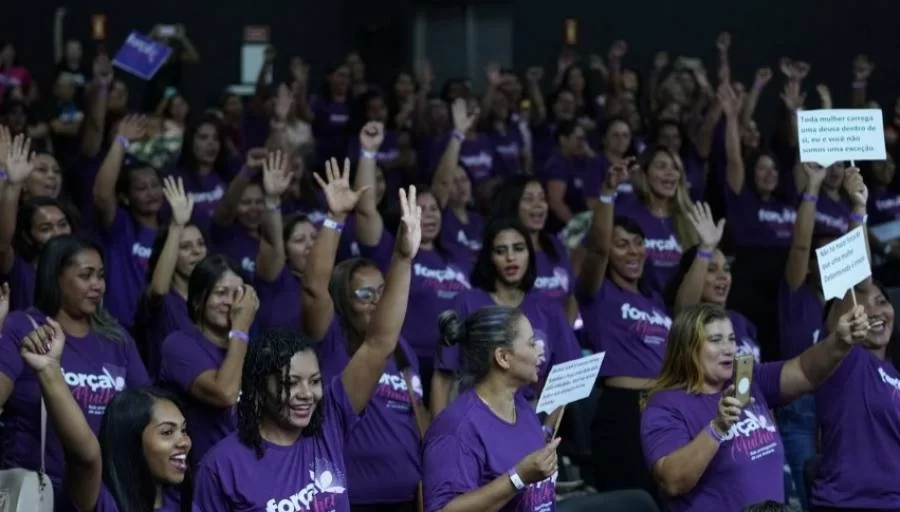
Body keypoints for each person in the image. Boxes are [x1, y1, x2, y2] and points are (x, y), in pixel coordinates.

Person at [192, 184, 420, 510]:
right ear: (259, 387)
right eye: (290, 382)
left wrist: (401, 257)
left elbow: (379, 343)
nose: (306, 393)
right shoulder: (222, 465)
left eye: (313, 381)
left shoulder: (328, 422)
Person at [641, 302, 870, 511]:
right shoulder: (664, 406)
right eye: (715, 340)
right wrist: (717, 427)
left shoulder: (747, 379)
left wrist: (839, 342)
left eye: (731, 338)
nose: (729, 348)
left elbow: (803, 371)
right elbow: (672, 481)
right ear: (687, 348)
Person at [0, 234, 150, 491]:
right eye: (86, 275)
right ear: (55, 278)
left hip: (102, 492)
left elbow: (146, 409)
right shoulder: (24, 327)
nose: (97, 285)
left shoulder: (117, 338)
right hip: (36, 492)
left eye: (101, 276)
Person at [21, 316, 190, 511]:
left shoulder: (182, 501)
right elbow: (86, 455)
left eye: (184, 430)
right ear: (132, 442)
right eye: (167, 432)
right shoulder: (102, 501)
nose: (184, 442)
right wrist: (49, 369)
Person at [431, 216, 580, 415]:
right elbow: (443, 377)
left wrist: (546, 431)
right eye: (500, 251)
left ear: (530, 254)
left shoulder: (549, 309)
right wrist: (439, 437)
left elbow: (566, 379)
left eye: (518, 248)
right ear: (489, 258)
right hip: (471, 414)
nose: (511, 257)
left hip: (531, 417)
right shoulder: (466, 302)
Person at [424, 306, 559, 511]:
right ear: (503, 357)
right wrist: (518, 478)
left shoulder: (522, 408)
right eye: (532, 343)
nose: (541, 350)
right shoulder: (457, 428)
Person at [157, 255, 259, 465]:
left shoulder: (251, 347)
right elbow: (225, 393)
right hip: (204, 472)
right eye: (221, 293)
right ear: (197, 301)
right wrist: (240, 328)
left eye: (237, 294)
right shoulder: (179, 345)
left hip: (249, 467)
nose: (231, 303)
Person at [809, 281, 900, 511]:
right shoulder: (843, 360)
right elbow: (837, 325)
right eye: (861, 307)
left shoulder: (894, 372)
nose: (875, 312)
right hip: (848, 504)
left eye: (881, 302)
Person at [664, 202, 762, 362]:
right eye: (711, 269)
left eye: (726, 269)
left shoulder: (742, 322)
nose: (722, 276)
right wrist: (706, 248)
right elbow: (686, 313)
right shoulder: (686, 321)